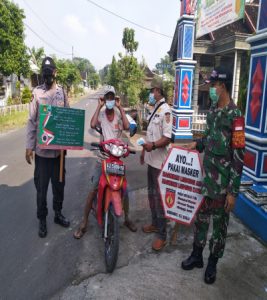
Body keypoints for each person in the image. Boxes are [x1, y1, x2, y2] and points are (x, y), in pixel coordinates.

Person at [181, 67, 245, 284]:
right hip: (206, 180)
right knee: (201, 220)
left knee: (219, 226)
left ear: (223, 86)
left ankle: (211, 264)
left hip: (222, 185)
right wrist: (196, 143)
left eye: (213, 85)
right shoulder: (213, 111)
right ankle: (197, 256)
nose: (211, 90)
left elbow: (239, 155)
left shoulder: (235, 116)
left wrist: (232, 192)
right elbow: (209, 139)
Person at [73, 85, 137, 239]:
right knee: (93, 188)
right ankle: (84, 222)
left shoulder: (119, 115)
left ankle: (127, 218)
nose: (109, 100)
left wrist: (121, 108)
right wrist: (99, 106)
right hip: (103, 157)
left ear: (115, 99)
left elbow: (127, 127)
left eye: (111, 98)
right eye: (107, 98)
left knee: (125, 190)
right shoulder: (101, 115)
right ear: (104, 99)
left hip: (117, 158)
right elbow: (92, 125)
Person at [25, 57, 70, 238]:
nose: (47, 75)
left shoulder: (62, 93)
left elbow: (68, 118)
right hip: (42, 154)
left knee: (59, 186)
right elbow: (31, 121)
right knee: (41, 189)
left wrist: (68, 143)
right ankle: (42, 219)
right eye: (44, 71)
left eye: (49, 71)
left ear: (55, 72)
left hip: (58, 153)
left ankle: (58, 214)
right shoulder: (36, 93)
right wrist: (29, 146)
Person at [140, 79, 172, 251]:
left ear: (158, 91)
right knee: (151, 195)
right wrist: (145, 151)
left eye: (152, 91)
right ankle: (154, 223)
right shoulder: (155, 110)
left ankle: (162, 234)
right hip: (151, 161)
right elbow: (151, 135)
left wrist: (151, 146)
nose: (150, 94)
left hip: (160, 163)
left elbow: (167, 137)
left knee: (160, 199)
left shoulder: (166, 111)